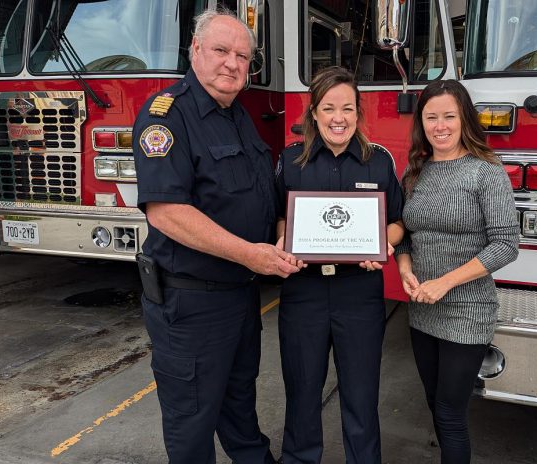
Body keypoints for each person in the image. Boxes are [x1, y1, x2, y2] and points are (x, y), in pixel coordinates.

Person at [132, 9, 301, 464]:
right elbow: (167, 213)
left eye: (243, 56)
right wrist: (251, 254)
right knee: (192, 428)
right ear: (195, 50)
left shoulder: (237, 115)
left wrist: (286, 235)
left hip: (240, 297)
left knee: (240, 410)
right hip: (191, 306)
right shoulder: (166, 116)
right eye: (222, 51)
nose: (232, 63)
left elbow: (259, 198)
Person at [274, 66, 404, 464]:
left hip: (358, 294)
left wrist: (382, 244)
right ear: (313, 112)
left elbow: (399, 222)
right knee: (302, 394)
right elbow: (280, 217)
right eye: (329, 108)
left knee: (361, 396)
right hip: (304, 292)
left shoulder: (377, 161)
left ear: (358, 112)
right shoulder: (290, 160)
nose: (338, 118)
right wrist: (283, 240)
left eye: (347, 108)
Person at [395, 80, 520, 464]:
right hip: (422, 310)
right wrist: (404, 269)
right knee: (434, 404)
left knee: (450, 414)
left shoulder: (486, 172)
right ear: (422, 123)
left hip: (468, 310)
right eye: (431, 117)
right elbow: (404, 236)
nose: (440, 126)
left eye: (449, 116)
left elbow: (506, 244)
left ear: (465, 118)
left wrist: (445, 282)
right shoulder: (416, 172)